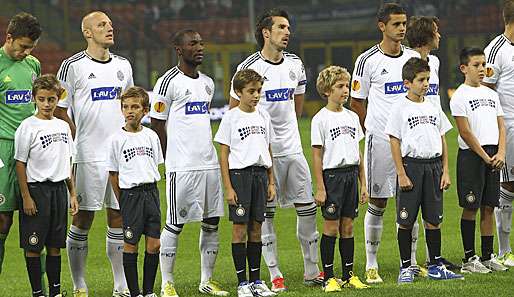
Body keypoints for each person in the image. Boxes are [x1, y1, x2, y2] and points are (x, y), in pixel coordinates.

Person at [229, 8, 322, 292]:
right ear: (266, 33)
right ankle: (274, 272)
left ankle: (311, 269)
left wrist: (285, 134)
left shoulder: (296, 64)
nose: (287, 32)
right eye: (281, 27)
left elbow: (297, 105)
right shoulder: (249, 67)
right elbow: (235, 114)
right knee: (264, 216)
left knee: (307, 209)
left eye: (288, 27)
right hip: (262, 156)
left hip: (292, 149)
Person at [54, 11, 134, 297]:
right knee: (83, 218)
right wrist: (77, 141)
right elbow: (60, 110)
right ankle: (79, 284)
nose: (109, 28)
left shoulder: (123, 66)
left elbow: (130, 106)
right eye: (102, 25)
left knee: (118, 217)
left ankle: (120, 284)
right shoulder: (72, 66)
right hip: (87, 154)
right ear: (87, 32)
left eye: (111, 24)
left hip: (119, 155)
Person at [150, 29, 228, 297]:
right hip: (181, 167)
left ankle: (206, 280)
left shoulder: (207, 83)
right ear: (179, 49)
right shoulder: (166, 82)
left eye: (201, 43)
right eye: (193, 43)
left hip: (208, 164)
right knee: (175, 223)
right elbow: (157, 126)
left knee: (212, 222)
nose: (200, 47)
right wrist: (167, 161)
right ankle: (167, 283)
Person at [349, 3, 420, 283]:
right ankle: (371, 264)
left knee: (412, 201)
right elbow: (357, 102)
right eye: (396, 24)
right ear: (382, 26)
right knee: (377, 201)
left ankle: (411, 262)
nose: (402, 28)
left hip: (411, 144)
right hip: (379, 142)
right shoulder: (367, 60)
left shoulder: (414, 57)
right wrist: (375, 130)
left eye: (404, 23)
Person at [385, 57, 463, 283]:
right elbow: (394, 140)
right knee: (406, 220)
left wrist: (445, 170)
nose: (426, 83)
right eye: (421, 80)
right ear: (407, 83)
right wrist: (401, 173)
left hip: (434, 167)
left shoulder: (433, 105)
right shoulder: (399, 107)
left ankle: (436, 265)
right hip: (412, 167)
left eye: (427, 79)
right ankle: (406, 267)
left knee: (434, 219)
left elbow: (442, 139)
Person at [14, 74, 79, 297]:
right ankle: (37, 292)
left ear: (57, 99)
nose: (46, 104)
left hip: (59, 191)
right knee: (34, 246)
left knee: (55, 244)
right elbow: (20, 164)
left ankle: (55, 291)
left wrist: (72, 193)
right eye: (41, 99)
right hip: (36, 190)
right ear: (34, 99)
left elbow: (67, 161)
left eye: (51, 99)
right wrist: (26, 197)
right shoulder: (27, 127)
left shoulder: (63, 127)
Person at [215, 69, 277, 297]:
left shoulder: (264, 116)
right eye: (251, 91)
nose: (256, 95)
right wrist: (228, 187)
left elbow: (268, 148)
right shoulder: (231, 117)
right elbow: (224, 154)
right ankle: (242, 283)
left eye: (259, 91)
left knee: (257, 229)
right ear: (238, 92)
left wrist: (271, 181)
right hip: (240, 177)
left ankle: (256, 280)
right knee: (239, 229)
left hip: (260, 176)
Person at [405, 15, 459, 271]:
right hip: (412, 142)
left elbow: (433, 98)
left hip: (433, 132)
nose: (440, 35)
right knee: (409, 207)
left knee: (432, 206)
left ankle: (432, 259)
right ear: (427, 35)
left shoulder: (434, 62)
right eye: (436, 31)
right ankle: (411, 261)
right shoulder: (405, 61)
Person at [311, 65, 369, 292]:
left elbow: (358, 152)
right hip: (332, 177)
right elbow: (317, 155)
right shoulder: (320, 119)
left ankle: (349, 275)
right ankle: (329, 277)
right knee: (331, 227)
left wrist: (363, 183)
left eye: (346, 86)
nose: (345, 90)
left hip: (351, 175)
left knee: (348, 226)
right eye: (340, 86)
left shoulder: (352, 117)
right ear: (326, 90)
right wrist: (320, 187)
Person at [450, 47, 508, 273]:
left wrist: (501, 153)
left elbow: (501, 126)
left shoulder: (492, 95)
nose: (482, 69)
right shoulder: (460, 96)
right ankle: (468, 259)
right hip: (472, 157)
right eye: (476, 65)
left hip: (494, 155)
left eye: (483, 64)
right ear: (464, 68)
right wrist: (485, 157)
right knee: (471, 206)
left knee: (489, 206)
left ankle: (487, 256)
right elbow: (465, 132)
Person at [107, 87, 163, 297]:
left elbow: (156, 165)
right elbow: (114, 174)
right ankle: (135, 293)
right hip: (130, 195)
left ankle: (148, 292)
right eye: (126, 107)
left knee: (154, 244)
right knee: (131, 244)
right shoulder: (116, 139)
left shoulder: (151, 136)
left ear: (145, 110)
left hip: (151, 193)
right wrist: (123, 201)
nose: (130, 111)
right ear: (121, 110)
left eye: (135, 107)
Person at [0, 12, 42, 275]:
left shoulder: (33, 65)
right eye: (22, 46)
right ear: (9, 38)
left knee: (36, 219)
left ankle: (41, 288)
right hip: (3, 149)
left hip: (33, 151)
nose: (26, 52)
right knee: (3, 220)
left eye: (30, 48)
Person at [483, 0, 514, 267]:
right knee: (508, 185)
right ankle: (504, 250)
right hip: (510, 125)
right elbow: (486, 91)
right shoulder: (495, 50)